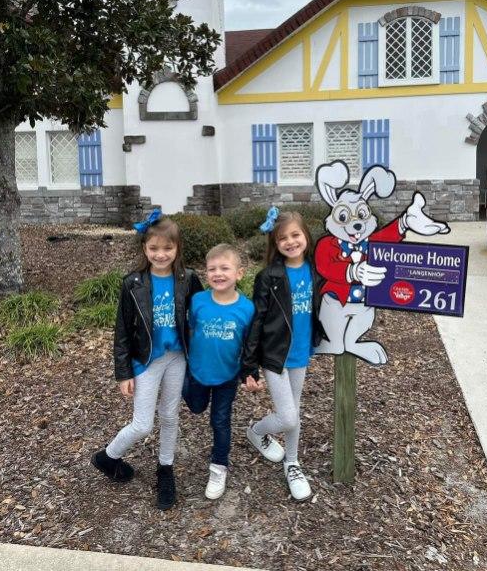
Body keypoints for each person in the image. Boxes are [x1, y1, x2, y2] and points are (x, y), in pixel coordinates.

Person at [91, 209, 202, 510]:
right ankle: (107, 457)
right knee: (142, 425)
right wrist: (123, 372)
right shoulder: (133, 283)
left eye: (167, 248)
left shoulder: (187, 279)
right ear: (145, 249)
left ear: (177, 249)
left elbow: (201, 314)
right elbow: (123, 330)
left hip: (176, 358)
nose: (161, 254)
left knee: (169, 416)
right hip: (146, 361)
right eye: (154, 248)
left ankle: (165, 469)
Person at [241, 208, 326, 501]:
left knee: (294, 409)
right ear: (275, 244)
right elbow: (257, 321)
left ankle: (292, 462)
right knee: (288, 417)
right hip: (274, 356)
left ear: (306, 236)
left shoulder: (317, 270)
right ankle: (256, 430)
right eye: (282, 238)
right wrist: (249, 365)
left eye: (295, 235)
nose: (290, 242)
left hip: (302, 351)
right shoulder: (269, 277)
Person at [183, 244, 254, 500]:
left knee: (220, 421)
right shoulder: (198, 301)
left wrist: (249, 373)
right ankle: (184, 385)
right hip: (197, 373)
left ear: (239, 273)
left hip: (227, 376)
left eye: (225, 268)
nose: (218, 273)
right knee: (196, 407)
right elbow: (190, 330)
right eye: (212, 269)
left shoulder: (247, 309)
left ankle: (219, 466)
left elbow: (250, 345)